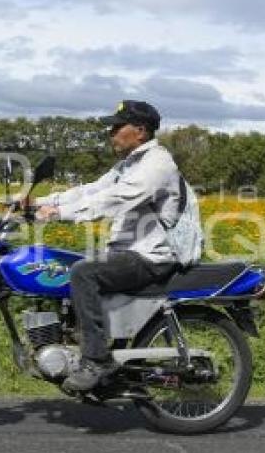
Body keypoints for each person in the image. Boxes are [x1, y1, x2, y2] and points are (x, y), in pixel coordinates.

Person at [32, 100, 183, 391]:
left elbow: (117, 199)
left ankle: (96, 360)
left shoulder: (157, 164)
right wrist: (37, 202)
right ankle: (77, 343)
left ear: (139, 131)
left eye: (116, 127)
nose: (110, 132)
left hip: (151, 256)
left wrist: (60, 214)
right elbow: (92, 190)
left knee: (83, 272)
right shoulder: (129, 164)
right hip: (128, 253)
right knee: (66, 266)